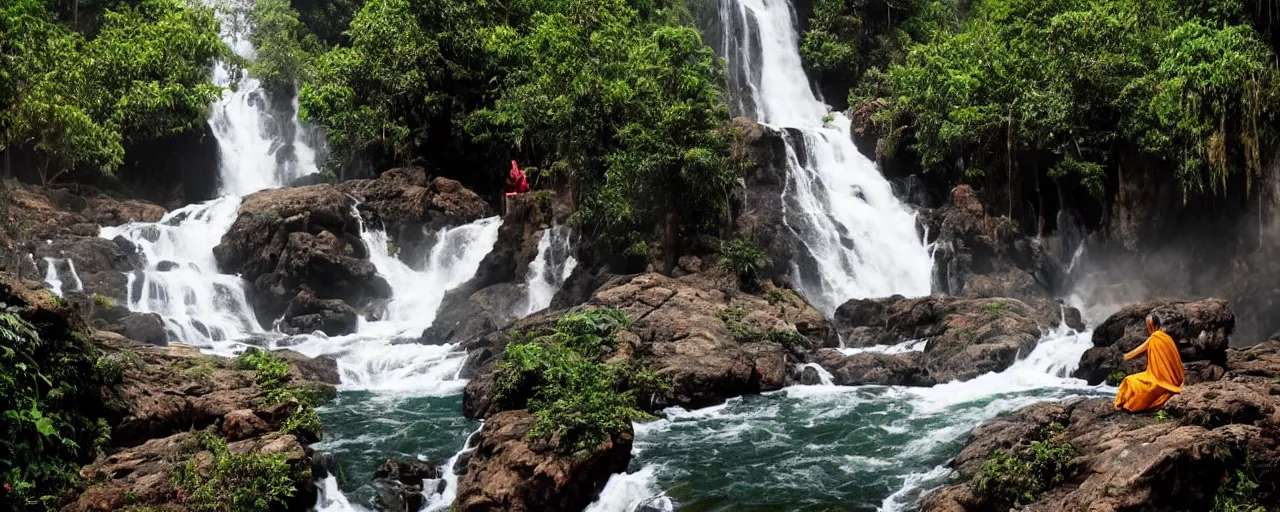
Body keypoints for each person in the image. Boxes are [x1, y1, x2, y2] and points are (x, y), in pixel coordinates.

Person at [1114, 312, 1185, 412]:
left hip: (1159, 379)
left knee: (1129, 381)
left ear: (1155, 325)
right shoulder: (1167, 338)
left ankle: (1123, 404)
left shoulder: (1155, 337)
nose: (1149, 329)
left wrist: (1125, 357)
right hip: (1173, 380)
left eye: (1150, 326)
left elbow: (1139, 349)